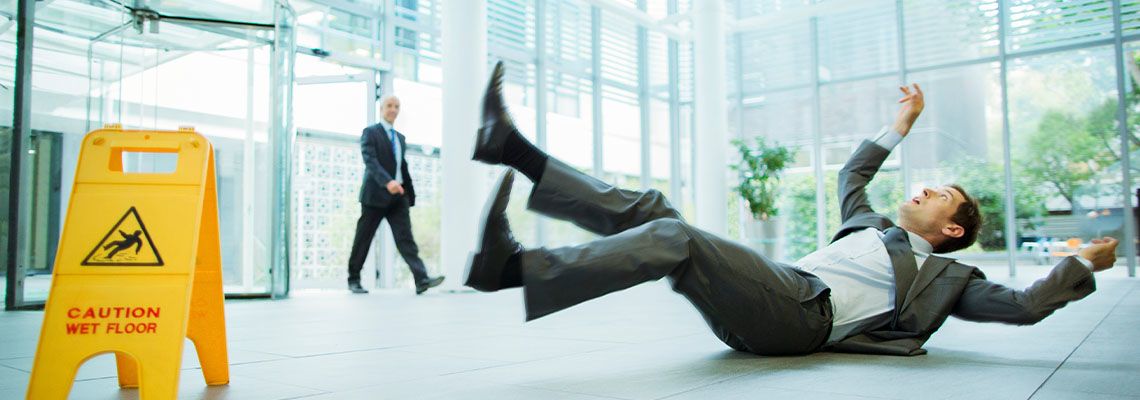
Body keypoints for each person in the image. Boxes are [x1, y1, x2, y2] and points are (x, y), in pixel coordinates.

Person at [462, 62, 1119, 356]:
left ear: (951, 229)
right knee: (662, 212)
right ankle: (512, 149)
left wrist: (1085, 263)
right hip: (775, 287)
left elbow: (1027, 306)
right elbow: (854, 170)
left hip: (800, 318)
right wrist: (902, 126)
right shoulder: (867, 224)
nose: (922, 188)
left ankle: (511, 269)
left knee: (675, 236)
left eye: (940, 194)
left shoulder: (950, 283)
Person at [346, 95, 444, 295]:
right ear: (381, 108)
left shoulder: (400, 138)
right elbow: (370, 160)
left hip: (398, 197)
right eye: (389, 106)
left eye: (397, 106)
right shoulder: (370, 132)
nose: (393, 109)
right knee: (363, 238)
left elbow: (401, 165)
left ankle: (421, 279)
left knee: (405, 239)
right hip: (374, 196)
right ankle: (354, 279)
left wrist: (408, 193)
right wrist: (386, 181)